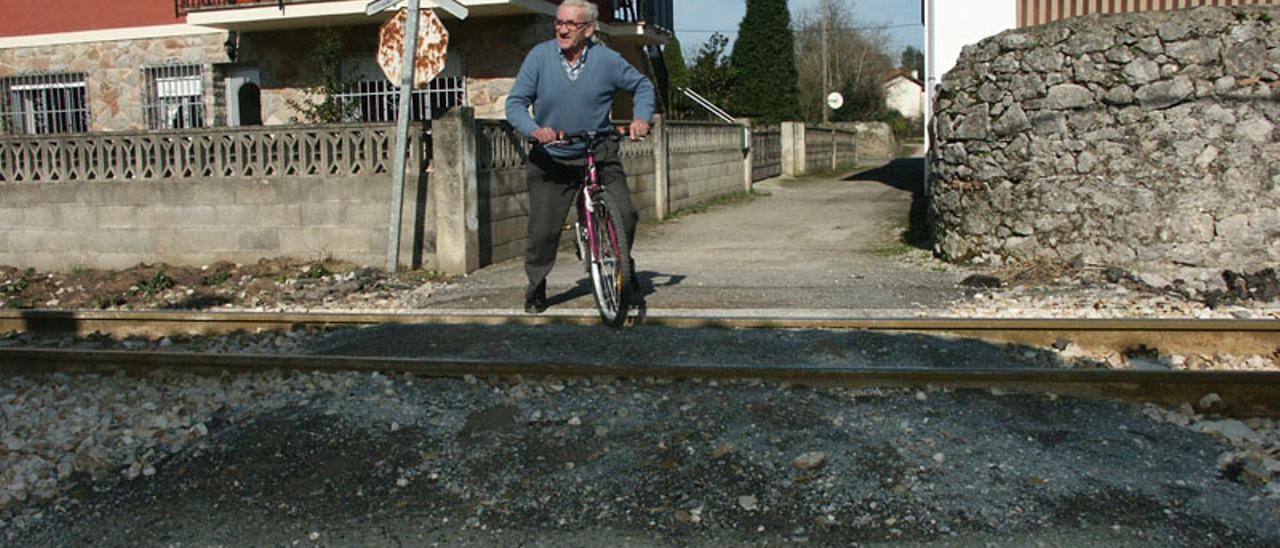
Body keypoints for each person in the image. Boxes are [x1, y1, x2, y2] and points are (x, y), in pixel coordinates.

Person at [505, 0, 656, 314]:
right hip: (552, 157)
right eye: (559, 22)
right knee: (543, 231)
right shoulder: (540, 58)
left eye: (571, 24)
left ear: (589, 29)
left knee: (625, 214)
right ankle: (536, 286)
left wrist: (641, 118)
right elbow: (516, 103)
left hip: (598, 150)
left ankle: (621, 264)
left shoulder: (607, 60)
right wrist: (535, 130)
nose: (562, 29)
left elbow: (642, 85)